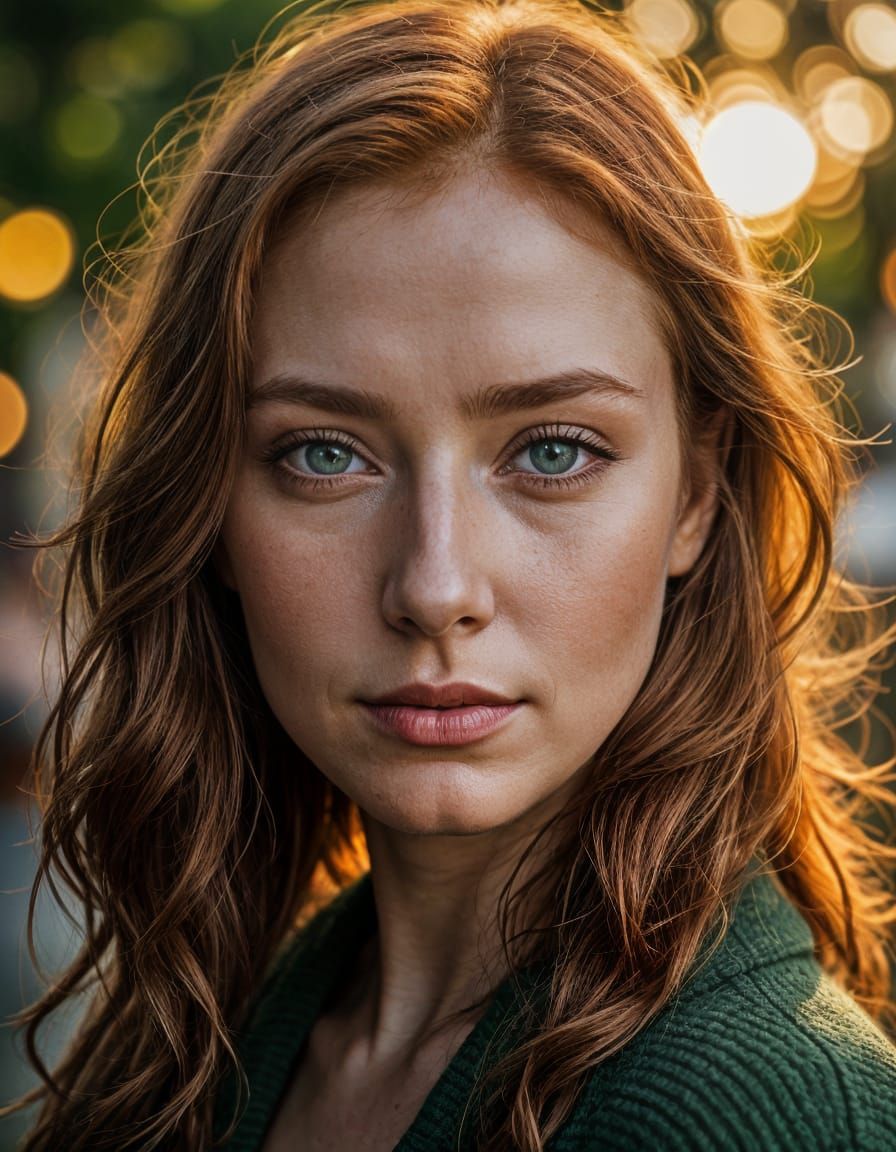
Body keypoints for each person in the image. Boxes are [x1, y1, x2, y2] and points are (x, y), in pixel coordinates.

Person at [4, 0, 896, 1148]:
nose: (433, 586)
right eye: (323, 454)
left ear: (693, 493)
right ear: (209, 506)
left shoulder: (769, 1113)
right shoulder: (198, 1044)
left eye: (551, 452)